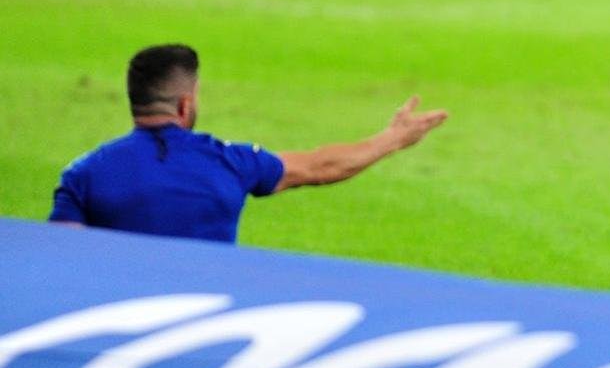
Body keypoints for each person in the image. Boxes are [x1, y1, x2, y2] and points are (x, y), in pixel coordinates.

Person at [49, 44, 448, 243]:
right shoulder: (227, 162)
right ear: (186, 104)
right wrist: (393, 138)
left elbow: (61, 257)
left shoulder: (84, 174)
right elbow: (320, 166)